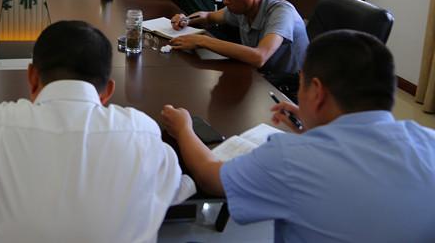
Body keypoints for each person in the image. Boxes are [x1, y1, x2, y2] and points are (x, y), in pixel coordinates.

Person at [0, 20, 195, 243]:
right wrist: (185, 131)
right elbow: (178, 186)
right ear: (108, 91)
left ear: (32, 77)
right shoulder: (142, 133)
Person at [161, 30, 435, 242]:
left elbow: (210, 178)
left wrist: (184, 128)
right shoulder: (429, 140)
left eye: (302, 85)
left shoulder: (291, 158)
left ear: (317, 92)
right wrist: (317, 127)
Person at [169, 0, 308, 77]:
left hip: (288, 88)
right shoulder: (243, 8)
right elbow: (208, 16)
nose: (225, 1)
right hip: (260, 77)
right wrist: (186, 20)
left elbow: (259, 57)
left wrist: (203, 41)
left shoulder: (281, 12)